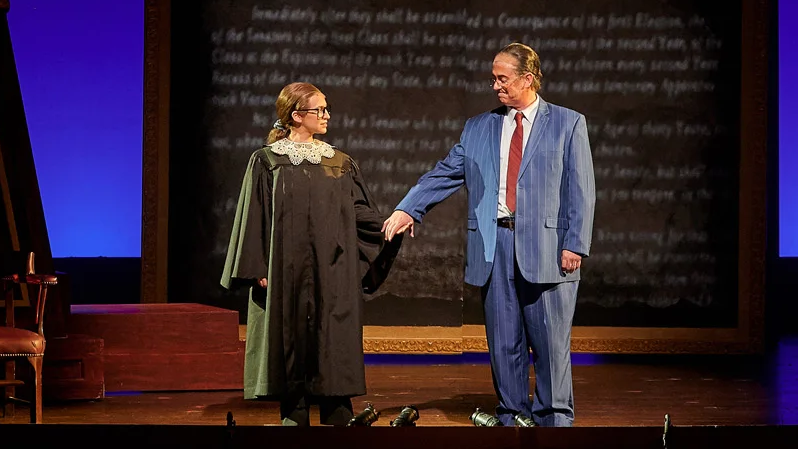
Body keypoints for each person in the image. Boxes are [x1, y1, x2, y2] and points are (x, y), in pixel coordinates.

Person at [382, 43, 595, 426]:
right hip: (494, 247)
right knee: (503, 343)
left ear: (528, 79)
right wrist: (407, 207)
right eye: (493, 78)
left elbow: (580, 189)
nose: (495, 86)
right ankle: (512, 417)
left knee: (549, 345)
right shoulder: (480, 126)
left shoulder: (568, 123)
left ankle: (554, 421)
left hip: (549, 249)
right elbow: (444, 173)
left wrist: (574, 244)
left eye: (503, 78)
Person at [221, 82, 401, 426]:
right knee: (291, 345)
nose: (327, 116)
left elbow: (360, 214)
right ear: (296, 115)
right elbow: (253, 215)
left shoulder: (339, 162)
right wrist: (256, 266)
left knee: (332, 339)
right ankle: (295, 419)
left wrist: (392, 224)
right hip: (284, 273)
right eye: (320, 110)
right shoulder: (267, 161)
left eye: (326, 109)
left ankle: (338, 419)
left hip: (332, 273)